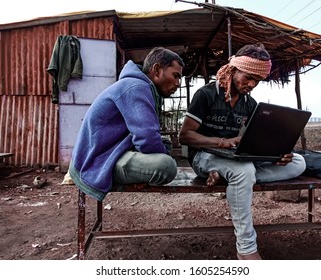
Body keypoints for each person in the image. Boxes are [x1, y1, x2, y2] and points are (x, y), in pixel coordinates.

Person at [179, 43, 306, 260]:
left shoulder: (250, 103)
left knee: (298, 162)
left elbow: (252, 140)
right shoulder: (206, 94)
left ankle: (228, 176)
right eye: (248, 77)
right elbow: (185, 136)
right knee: (244, 171)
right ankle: (246, 249)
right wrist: (221, 142)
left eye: (257, 80)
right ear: (233, 69)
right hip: (204, 156)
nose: (252, 84)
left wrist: (276, 153)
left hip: (233, 158)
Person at [69, 47, 184, 201]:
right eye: (175, 76)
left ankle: (137, 174)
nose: (178, 83)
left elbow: (146, 137)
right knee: (166, 166)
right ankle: (132, 175)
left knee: (164, 145)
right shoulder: (137, 87)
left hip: (110, 153)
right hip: (95, 162)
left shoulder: (139, 86)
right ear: (157, 70)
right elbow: (147, 139)